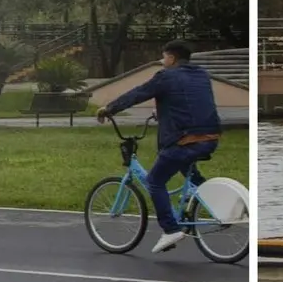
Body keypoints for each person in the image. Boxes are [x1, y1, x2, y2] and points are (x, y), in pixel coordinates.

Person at [95, 40, 223, 254]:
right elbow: (192, 101)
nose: (163, 62)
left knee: (154, 181)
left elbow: (138, 93)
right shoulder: (201, 74)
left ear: (171, 58)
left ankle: (171, 230)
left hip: (184, 140)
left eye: (164, 58)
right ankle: (218, 204)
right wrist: (164, 112)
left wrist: (109, 109)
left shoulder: (166, 76)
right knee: (187, 170)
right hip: (210, 137)